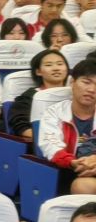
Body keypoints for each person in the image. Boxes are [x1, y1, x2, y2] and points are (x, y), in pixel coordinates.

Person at [38, 57, 96, 196]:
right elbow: (51, 146)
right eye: (86, 82)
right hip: (68, 170)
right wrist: (74, 162)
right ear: (72, 82)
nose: (92, 89)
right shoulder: (54, 112)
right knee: (84, 187)